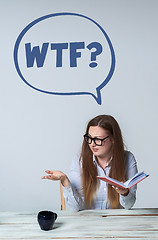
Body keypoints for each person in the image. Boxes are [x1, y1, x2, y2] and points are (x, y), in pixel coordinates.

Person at [42, 115, 138, 210]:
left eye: (98, 139)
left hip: (115, 223)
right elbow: (76, 207)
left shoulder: (128, 159)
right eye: (89, 138)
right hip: (87, 222)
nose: (92, 144)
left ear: (112, 139)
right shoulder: (79, 161)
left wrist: (124, 193)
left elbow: (128, 205)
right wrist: (64, 180)